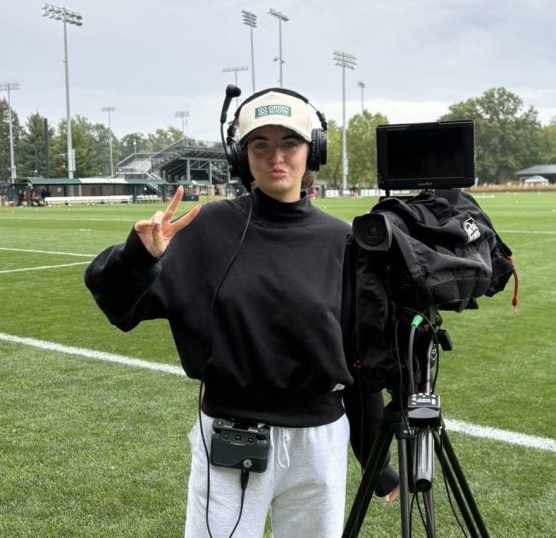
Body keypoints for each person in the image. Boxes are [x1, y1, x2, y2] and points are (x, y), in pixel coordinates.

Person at [84, 87, 398, 538]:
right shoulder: (207, 229)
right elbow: (121, 307)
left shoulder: (342, 241)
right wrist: (140, 255)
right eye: (260, 144)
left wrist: (377, 462)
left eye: (289, 143)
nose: (277, 157)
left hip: (318, 443)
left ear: (314, 151)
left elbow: (358, 362)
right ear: (240, 156)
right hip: (229, 437)